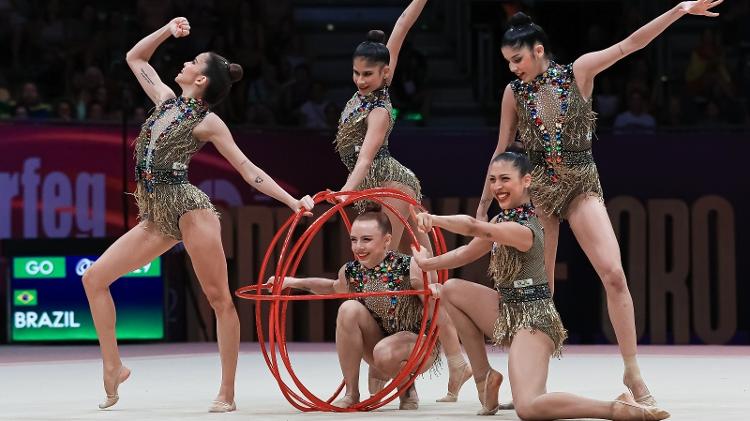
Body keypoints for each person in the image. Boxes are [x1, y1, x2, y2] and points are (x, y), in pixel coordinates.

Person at [476, 2, 722, 405]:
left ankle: (633, 372)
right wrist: (483, 205)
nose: (513, 68)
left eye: (517, 59)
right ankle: (531, 384)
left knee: (613, 274)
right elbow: (501, 149)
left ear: (538, 50)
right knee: (540, 291)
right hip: (538, 190)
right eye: (507, 62)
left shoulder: (579, 71)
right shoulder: (513, 92)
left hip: (578, 185)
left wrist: (678, 9)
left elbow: (632, 43)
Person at [81, 17, 314, 413]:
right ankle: (113, 365)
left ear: (202, 80)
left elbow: (247, 168)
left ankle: (227, 391)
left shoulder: (208, 121)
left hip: (190, 208)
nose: (185, 63)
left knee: (219, 299)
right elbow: (135, 56)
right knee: (94, 278)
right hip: (156, 214)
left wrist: (292, 202)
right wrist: (167, 30)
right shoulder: (164, 101)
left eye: (192, 61)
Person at [413, 152, 670, 420]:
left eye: (504, 179)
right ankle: (484, 377)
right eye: (492, 180)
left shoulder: (527, 226)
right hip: (507, 311)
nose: (497, 187)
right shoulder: (500, 220)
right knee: (452, 290)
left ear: (526, 181)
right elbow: (466, 252)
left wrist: (434, 220)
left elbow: (477, 229)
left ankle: (614, 407)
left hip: (534, 322)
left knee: (529, 407)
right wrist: (427, 264)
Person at [332, 0, 473, 403]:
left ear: (386, 73)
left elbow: (363, 158)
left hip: (392, 187)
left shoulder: (379, 107)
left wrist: (344, 193)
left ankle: (445, 362)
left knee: (405, 279)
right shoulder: (361, 96)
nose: (361, 79)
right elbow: (399, 24)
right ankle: (435, 368)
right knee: (395, 280)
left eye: (369, 74)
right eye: (356, 73)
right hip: (371, 194)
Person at [268, 205, 440, 410]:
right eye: (354, 239)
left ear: (387, 240)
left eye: (366, 239)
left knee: (384, 352)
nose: (358, 247)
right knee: (348, 308)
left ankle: (406, 387)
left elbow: (434, 315)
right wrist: (290, 282)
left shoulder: (410, 266)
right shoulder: (351, 271)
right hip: (380, 344)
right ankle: (351, 393)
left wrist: (430, 290)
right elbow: (332, 288)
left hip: (419, 345)